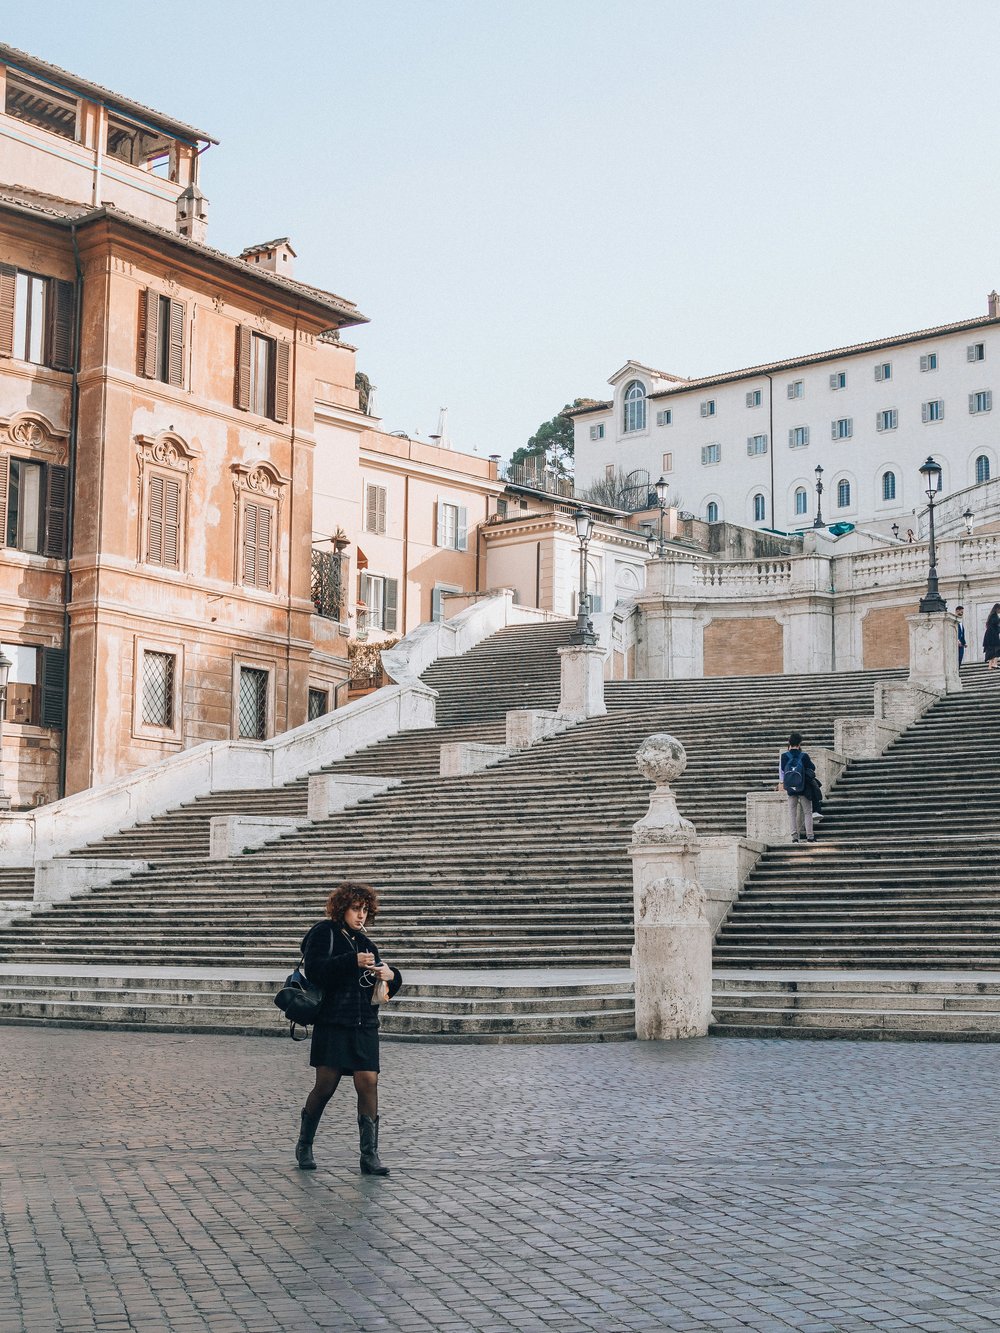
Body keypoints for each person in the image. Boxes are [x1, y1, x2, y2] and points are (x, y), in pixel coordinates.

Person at [294, 882, 402, 1176]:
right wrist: (350, 961)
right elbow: (315, 970)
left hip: (364, 1024)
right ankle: (304, 1144)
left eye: (365, 910)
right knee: (325, 1086)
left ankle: (369, 1156)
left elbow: (386, 985)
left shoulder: (367, 944)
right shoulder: (323, 933)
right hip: (333, 1023)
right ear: (342, 908)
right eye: (356, 909)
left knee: (368, 1082)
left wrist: (391, 975)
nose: (361, 916)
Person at [778, 732, 818, 843]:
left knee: (792, 813)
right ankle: (810, 836)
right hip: (803, 787)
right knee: (807, 812)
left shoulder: (784, 756)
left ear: (789, 743)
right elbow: (812, 767)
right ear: (799, 744)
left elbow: (782, 769)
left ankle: (795, 837)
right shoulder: (804, 756)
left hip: (790, 787)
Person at [985, 604, 1000, 670]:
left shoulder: (991, 616)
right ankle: (994, 664)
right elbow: (995, 626)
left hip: (989, 635)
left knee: (991, 650)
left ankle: (990, 666)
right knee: (997, 649)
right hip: (992, 635)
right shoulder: (994, 616)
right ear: (997, 609)